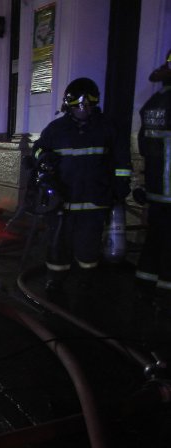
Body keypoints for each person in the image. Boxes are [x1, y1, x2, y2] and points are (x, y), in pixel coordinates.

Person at [32, 77, 132, 293]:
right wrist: (44, 158)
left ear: (95, 102)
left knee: (89, 246)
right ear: (68, 104)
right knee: (58, 245)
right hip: (62, 202)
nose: (83, 108)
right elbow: (38, 149)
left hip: (95, 201)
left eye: (88, 103)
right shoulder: (56, 129)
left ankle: (86, 279)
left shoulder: (107, 128)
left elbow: (122, 160)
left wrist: (121, 185)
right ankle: (55, 280)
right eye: (77, 103)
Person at [133, 50, 171, 306]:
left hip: (156, 189)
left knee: (155, 237)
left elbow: (144, 146)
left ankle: (145, 281)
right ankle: (166, 290)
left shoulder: (152, 104)